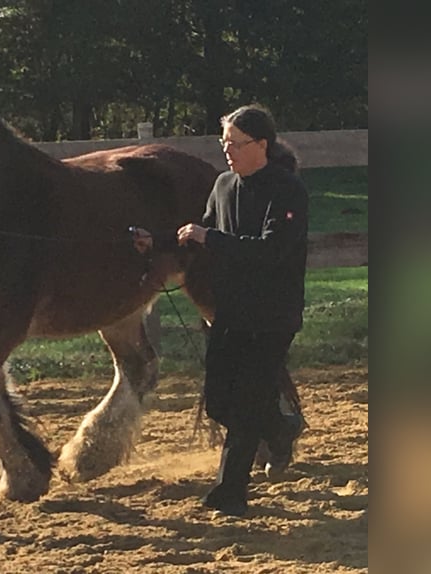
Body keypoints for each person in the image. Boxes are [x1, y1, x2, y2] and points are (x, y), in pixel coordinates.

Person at [133, 104, 308, 516]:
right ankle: (282, 426)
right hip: (231, 310)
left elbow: (271, 250)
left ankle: (230, 493)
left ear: (260, 145)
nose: (227, 150)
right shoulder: (223, 185)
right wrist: (155, 242)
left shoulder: (287, 192)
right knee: (218, 403)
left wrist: (209, 237)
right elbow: (198, 238)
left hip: (272, 315)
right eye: (224, 143)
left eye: (234, 143)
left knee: (246, 404)